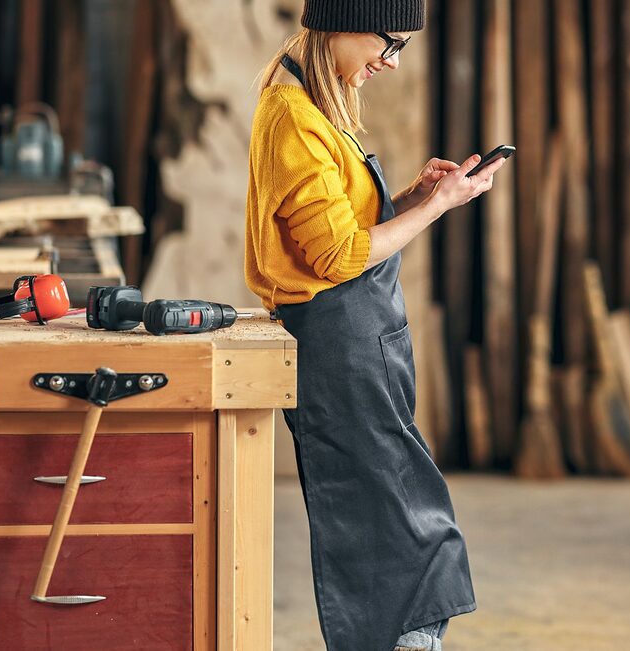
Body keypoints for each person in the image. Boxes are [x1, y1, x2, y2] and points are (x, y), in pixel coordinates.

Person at [244, 1, 507, 649]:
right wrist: (437, 207)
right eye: (388, 44)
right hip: (336, 344)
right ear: (342, 22)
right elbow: (335, 257)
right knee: (382, 519)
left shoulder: (318, 106)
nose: (390, 63)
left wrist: (418, 197)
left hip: (363, 340)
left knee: (400, 503)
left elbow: (344, 226)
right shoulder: (293, 118)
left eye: (402, 49)